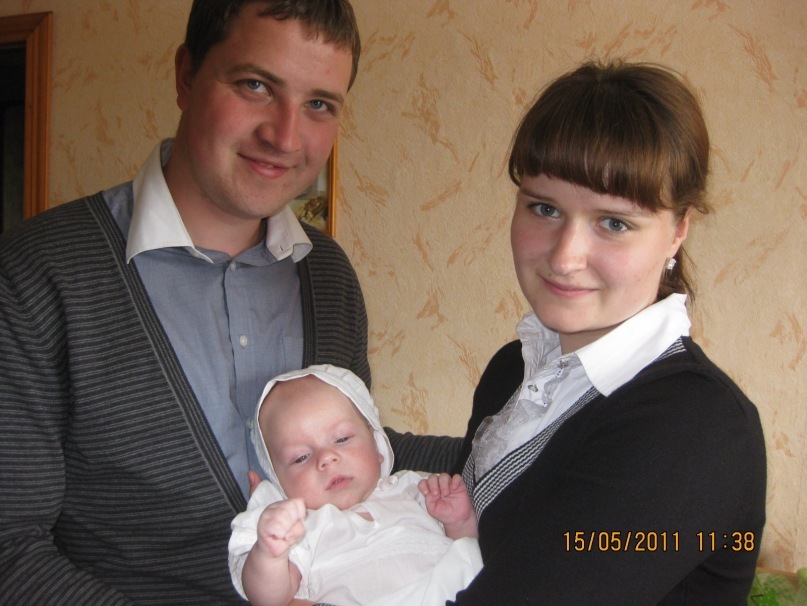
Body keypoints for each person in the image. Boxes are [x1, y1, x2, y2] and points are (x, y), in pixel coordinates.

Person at [0, 1, 455, 603]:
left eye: (319, 104)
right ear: (186, 76)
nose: (284, 136)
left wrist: (533, 440)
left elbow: (353, 449)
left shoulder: (327, 274)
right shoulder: (34, 274)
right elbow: (10, 548)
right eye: (255, 86)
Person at [448, 60, 766, 604]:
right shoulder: (512, 370)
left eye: (614, 222)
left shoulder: (696, 428)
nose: (565, 258)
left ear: (678, 230)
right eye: (544, 208)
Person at [228, 364, 481, 606]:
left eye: (341, 439)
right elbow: (270, 599)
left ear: (377, 445)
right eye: (301, 457)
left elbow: (469, 551)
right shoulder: (302, 528)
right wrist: (270, 553)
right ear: (280, 483)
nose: (327, 458)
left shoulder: (414, 489)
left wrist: (459, 521)